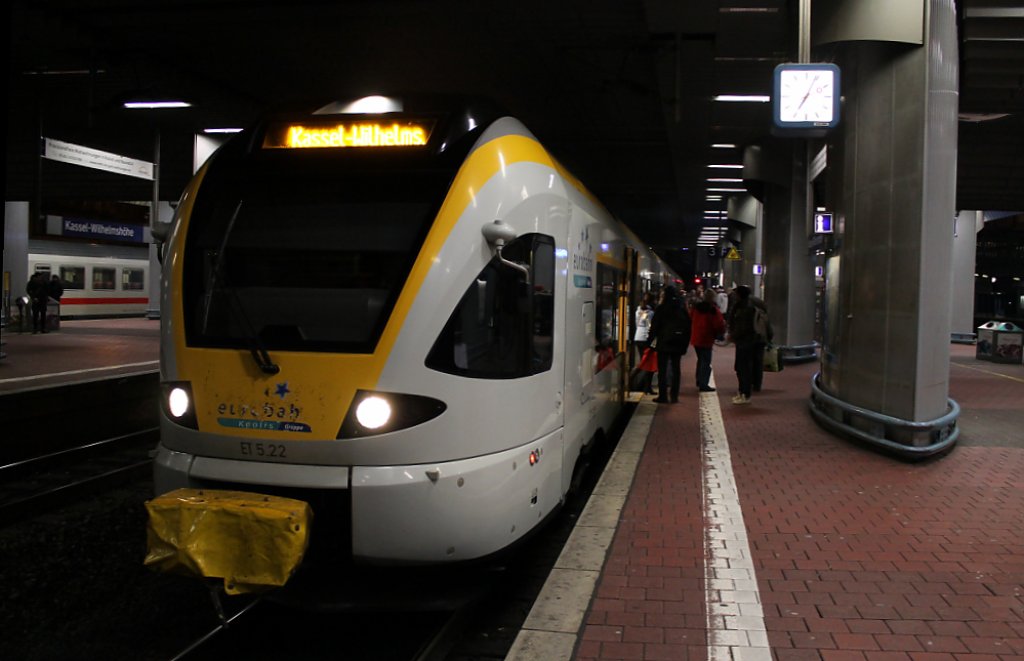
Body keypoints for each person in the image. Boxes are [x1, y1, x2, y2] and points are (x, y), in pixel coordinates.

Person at [726, 285, 771, 404]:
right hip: (757, 339)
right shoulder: (755, 303)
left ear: (739, 295)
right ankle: (753, 386)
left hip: (746, 341)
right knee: (754, 363)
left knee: (743, 368)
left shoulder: (745, 308)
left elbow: (743, 327)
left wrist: (732, 336)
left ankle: (745, 393)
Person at [649, 286, 691, 403]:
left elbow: (654, 327)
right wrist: (685, 345)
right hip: (678, 343)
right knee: (676, 369)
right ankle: (674, 396)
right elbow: (688, 327)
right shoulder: (681, 308)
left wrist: (650, 343)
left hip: (663, 343)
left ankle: (663, 396)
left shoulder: (661, 308)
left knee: (662, 371)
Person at [690, 288, 726, 392]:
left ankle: (699, 379)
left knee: (701, 359)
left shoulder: (696, 308)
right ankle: (703, 383)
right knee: (705, 361)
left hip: (696, 337)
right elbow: (719, 324)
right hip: (707, 338)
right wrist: (721, 332)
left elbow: (690, 318)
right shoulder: (713, 310)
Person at [632, 293, 655, 394]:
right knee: (647, 363)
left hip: (638, 337)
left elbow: (637, 324)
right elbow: (651, 326)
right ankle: (645, 386)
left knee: (644, 362)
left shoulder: (637, 312)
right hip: (646, 339)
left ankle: (645, 386)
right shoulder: (651, 313)